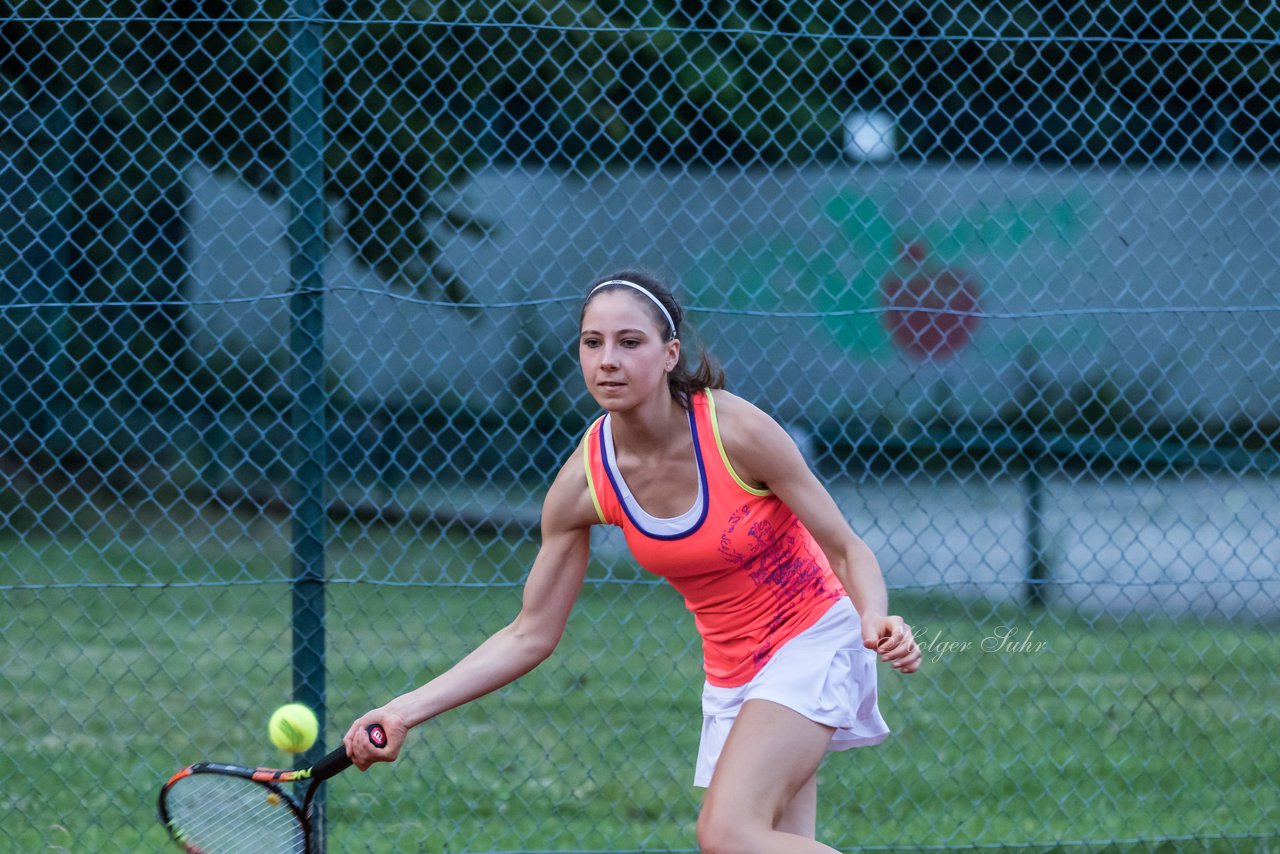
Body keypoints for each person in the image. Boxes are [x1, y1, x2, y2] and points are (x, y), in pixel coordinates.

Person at [343, 271, 922, 853]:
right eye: (592, 343)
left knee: (727, 833)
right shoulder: (585, 480)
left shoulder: (734, 430)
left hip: (814, 637)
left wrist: (874, 615)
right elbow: (529, 633)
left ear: (670, 354)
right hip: (733, 673)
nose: (608, 360)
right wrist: (401, 710)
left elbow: (847, 547)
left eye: (630, 342)